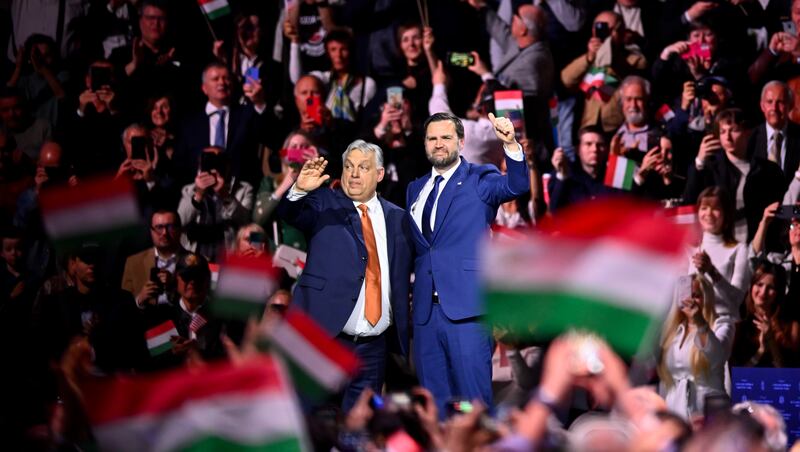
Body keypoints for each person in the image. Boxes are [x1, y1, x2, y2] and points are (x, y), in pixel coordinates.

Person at [277, 139, 414, 412]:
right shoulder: (323, 202)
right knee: (310, 423)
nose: (353, 173)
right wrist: (298, 191)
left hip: (373, 347)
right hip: (322, 338)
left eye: (363, 167)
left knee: (360, 428)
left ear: (380, 174)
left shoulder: (398, 218)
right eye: (348, 166)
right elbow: (290, 214)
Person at [407, 112, 529, 412]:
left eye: (446, 137)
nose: (439, 144)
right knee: (435, 409)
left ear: (461, 142)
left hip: (468, 312)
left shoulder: (479, 178)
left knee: (472, 408)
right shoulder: (415, 188)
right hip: (425, 315)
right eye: (432, 138)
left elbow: (515, 186)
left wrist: (511, 146)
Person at [684, 108, 784, 243]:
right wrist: (699, 162)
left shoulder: (767, 170)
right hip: (721, 248)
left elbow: (782, 208)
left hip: (759, 248)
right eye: (722, 132)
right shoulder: (711, 169)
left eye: (734, 130)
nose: (727, 137)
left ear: (748, 133)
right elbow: (689, 202)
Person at [657, 274, 734, 420]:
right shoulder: (674, 330)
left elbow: (717, 356)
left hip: (708, 411)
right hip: (675, 410)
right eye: (687, 295)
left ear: (707, 298)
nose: (691, 300)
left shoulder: (722, 324)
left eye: (697, 295)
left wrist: (700, 323)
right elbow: (667, 378)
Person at [177, 146, 254, 262]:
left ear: (227, 166)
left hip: (227, 254)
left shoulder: (243, 189)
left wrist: (225, 195)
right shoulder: (189, 190)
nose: (213, 166)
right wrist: (198, 195)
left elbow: (246, 222)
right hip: (195, 255)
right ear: (200, 165)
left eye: (218, 162)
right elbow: (179, 221)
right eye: (208, 161)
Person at [688, 186, 750, 319]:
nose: (708, 213)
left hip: (723, 323)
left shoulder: (739, 249)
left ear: (726, 214)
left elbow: (737, 299)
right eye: (704, 208)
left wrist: (712, 271)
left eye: (715, 209)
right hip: (692, 322)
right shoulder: (690, 249)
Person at [730, 262, 800, 368]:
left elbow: (788, 376)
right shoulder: (739, 325)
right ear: (751, 287)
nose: (763, 292)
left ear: (779, 292)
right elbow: (738, 377)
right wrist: (760, 351)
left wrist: (771, 341)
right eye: (759, 284)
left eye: (771, 287)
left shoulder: (791, 327)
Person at [121, 209, 189, 308]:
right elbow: (121, 305)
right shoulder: (133, 262)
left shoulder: (196, 262)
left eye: (170, 227)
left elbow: (201, 303)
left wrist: (174, 286)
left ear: (179, 230)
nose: (165, 233)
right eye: (159, 227)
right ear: (151, 231)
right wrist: (139, 300)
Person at [548, 126, 618, 212]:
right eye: (588, 144)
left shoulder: (617, 170)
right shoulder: (564, 172)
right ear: (577, 150)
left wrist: (618, 161)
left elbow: (629, 206)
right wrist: (562, 176)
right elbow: (555, 211)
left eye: (600, 145)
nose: (594, 149)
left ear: (606, 150)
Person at [746, 80, 800, 188]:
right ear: (762, 106)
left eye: (780, 102)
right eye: (769, 102)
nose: (774, 108)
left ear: (790, 105)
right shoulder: (749, 138)